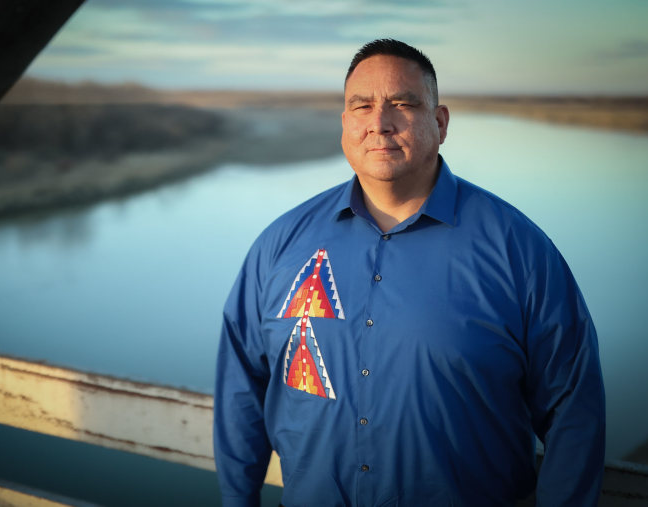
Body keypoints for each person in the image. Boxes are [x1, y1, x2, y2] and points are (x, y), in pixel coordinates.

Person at [214, 38, 605, 507]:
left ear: (439, 123)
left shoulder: (519, 250)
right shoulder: (280, 245)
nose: (379, 123)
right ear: (344, 124)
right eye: (361, 106)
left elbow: (574, 412)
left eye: (402, 103)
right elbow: (241, 392)